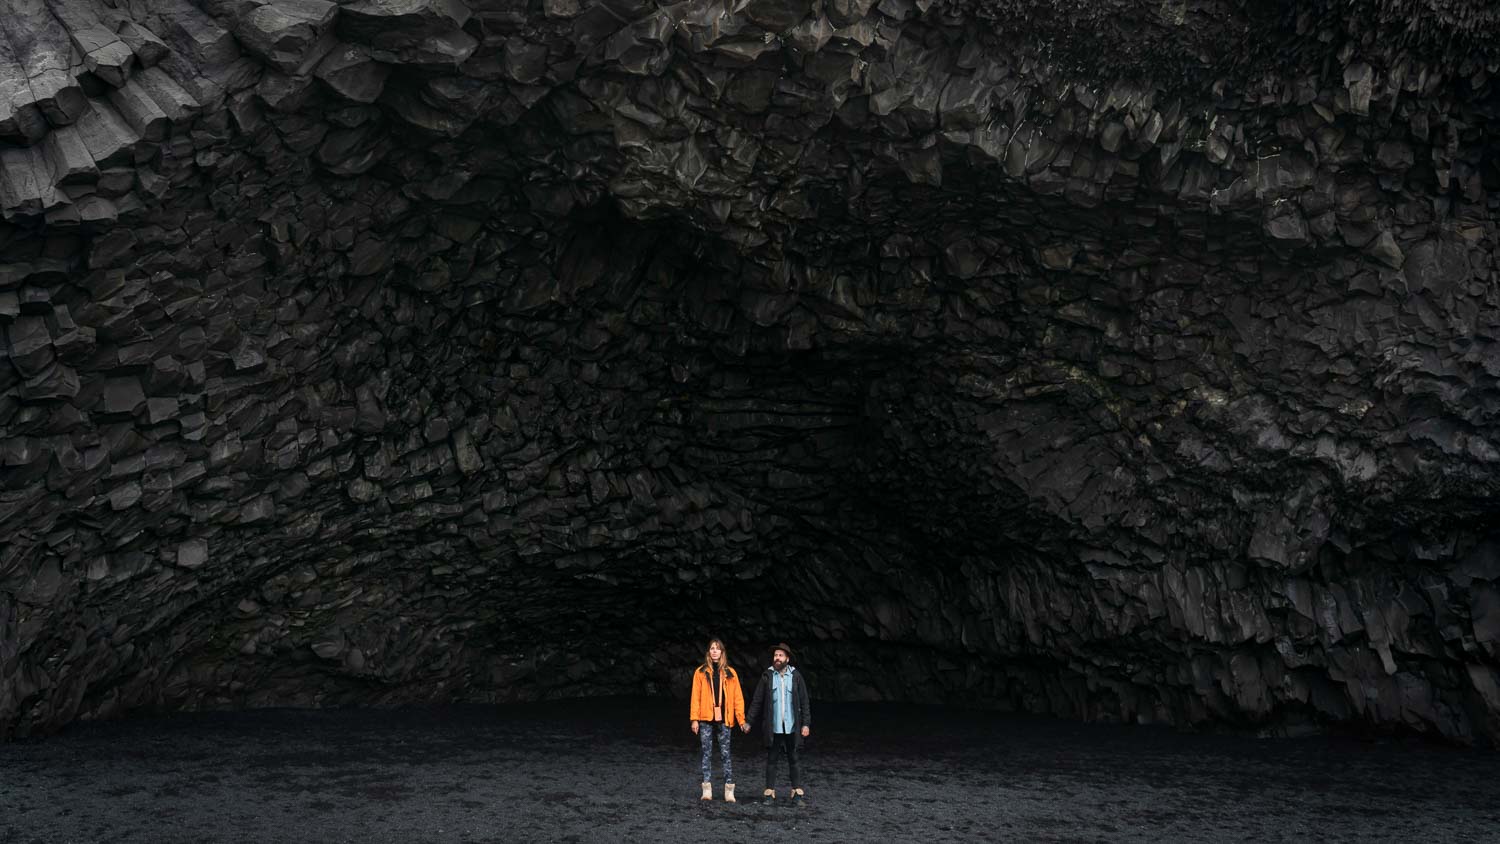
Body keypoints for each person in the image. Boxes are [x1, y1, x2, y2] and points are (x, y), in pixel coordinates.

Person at [746, 642, 811, 805]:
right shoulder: (767, 676)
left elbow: (804, 702)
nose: (777, 658)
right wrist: (749, 721)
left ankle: (797, 794)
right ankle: (769, 794)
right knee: (772, 759)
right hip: (773, 727)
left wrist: (806, 724)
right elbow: (757, 700)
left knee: (794, 758)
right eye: (776, 655)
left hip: (792, 727)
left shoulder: (796, 676)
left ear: (787, 659)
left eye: (781, 655)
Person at [689, 638, 746, 802]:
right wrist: (694, 719)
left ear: (722, 652)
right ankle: (706, 789)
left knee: (725, 754)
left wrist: (741, 720)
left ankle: (729, 790)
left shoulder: (730, 673)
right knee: (706, 754)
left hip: (724, 719)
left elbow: (737, 698)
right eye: (712, 648)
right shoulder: (700, 672)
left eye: (717, 648)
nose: (714, 651)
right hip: (706, 718)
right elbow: (695, 698)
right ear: (708, 652)